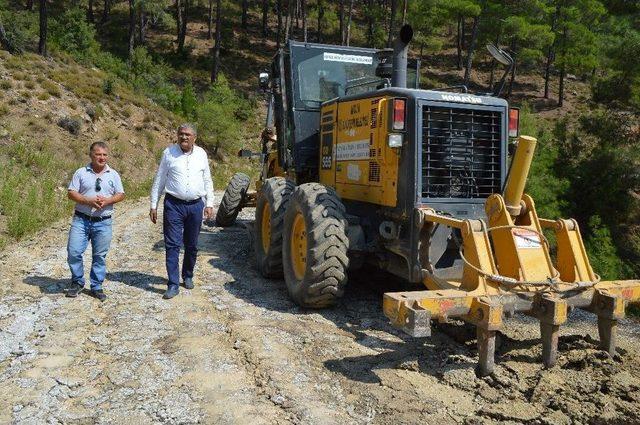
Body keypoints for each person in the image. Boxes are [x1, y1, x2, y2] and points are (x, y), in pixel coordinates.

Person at [149, 123, 214, 299]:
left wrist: (209, 203)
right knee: (172, 245)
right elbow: (160, 179)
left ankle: (188, 275)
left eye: (187, 135)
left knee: (192, 245)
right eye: (181, 134)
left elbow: (207, 180)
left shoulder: (201, 154)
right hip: (173, 205)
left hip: (195, 206)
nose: (184, 137)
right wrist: (153, 204)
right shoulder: (169, 153)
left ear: (195, 138)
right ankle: (173, 283)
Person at [66, 141, 125, 301]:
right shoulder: (80, 172)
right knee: (74, 252)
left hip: (103, 221)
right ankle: (77, 281)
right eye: (98, 154)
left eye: (105, 155)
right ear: (91, 155)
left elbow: (120, 194)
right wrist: (88, 201)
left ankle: (96, 286)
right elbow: (71, 193)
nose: (102, 157)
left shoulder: (113, 174)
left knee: (99, 256)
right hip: (81, 220)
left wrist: (107, 201)